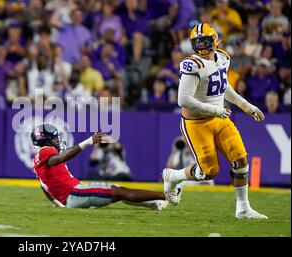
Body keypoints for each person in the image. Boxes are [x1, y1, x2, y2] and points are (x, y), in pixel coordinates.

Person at [162, 23, 268, 219]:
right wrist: (215, 109)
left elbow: (223, 85)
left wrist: (246, 106)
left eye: (205, 40)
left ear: (215, 40)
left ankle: (243, 208)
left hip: (220, 118)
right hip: (197, 123)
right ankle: (173, 176)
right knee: (208, 172)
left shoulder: (223, 58)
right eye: (198, 41)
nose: (201, 45)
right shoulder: (192, 64)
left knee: (240, 159)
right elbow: (183, 100)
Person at [31, 124, 171, 210]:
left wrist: (58, 204)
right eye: (54, 138)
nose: (57, 140)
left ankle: (153, 203)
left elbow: (44, 186)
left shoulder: (38, 158)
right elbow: (61, 158)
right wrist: (88, 141)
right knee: (118, 192)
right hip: (75, 193)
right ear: (45, 140)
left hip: (73, 195)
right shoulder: (46, 151)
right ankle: (165, 196)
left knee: (117, 193)